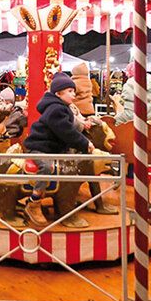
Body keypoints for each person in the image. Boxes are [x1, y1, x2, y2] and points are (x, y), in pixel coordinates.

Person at [22, 73, 95, 225]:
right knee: (47, 167)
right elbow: (66, 131)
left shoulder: (63, 107)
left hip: (52, 147)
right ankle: (34, 202)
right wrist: (84, 143)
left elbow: (72, 125)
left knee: (71, 165)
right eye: (69, 91)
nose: (73, 94)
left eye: (73, 91)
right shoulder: (56, 109)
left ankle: (65, 197)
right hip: (39, 147)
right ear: (58, 93)